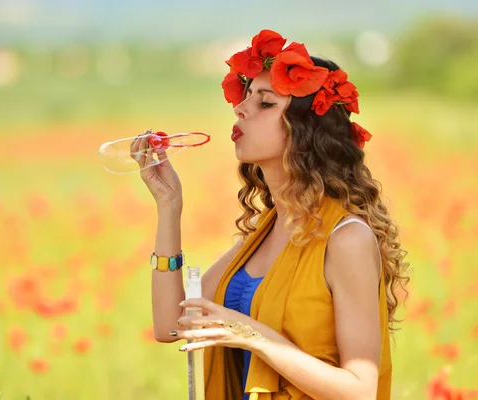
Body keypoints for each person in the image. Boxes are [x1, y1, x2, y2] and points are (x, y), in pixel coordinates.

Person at [130, 29, 409, 400]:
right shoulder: (264, 232)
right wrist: (168, 205)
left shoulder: (346, 239)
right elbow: (171, 326)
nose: (240, 109)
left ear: (305, 132)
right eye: (244, 98)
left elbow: (360, 391)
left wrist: (250, 334)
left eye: (265, 103)